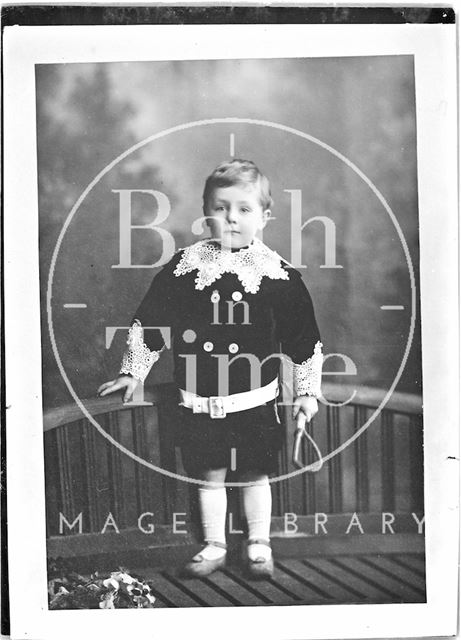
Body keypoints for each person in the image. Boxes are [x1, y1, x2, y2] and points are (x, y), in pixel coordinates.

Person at [97, 159, 323, 579]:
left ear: (265, 217)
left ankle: (259, 542)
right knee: (210, 473)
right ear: (206, 213)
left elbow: (303, 338)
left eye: (244, 209)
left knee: (256, 472)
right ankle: (214, 544)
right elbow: (152, 321)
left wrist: (307, 392)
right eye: (220, 208)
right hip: (200, 400)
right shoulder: (184, 268)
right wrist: (135, 371)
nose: (231, 218)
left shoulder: (277, 275)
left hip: (255, 400)